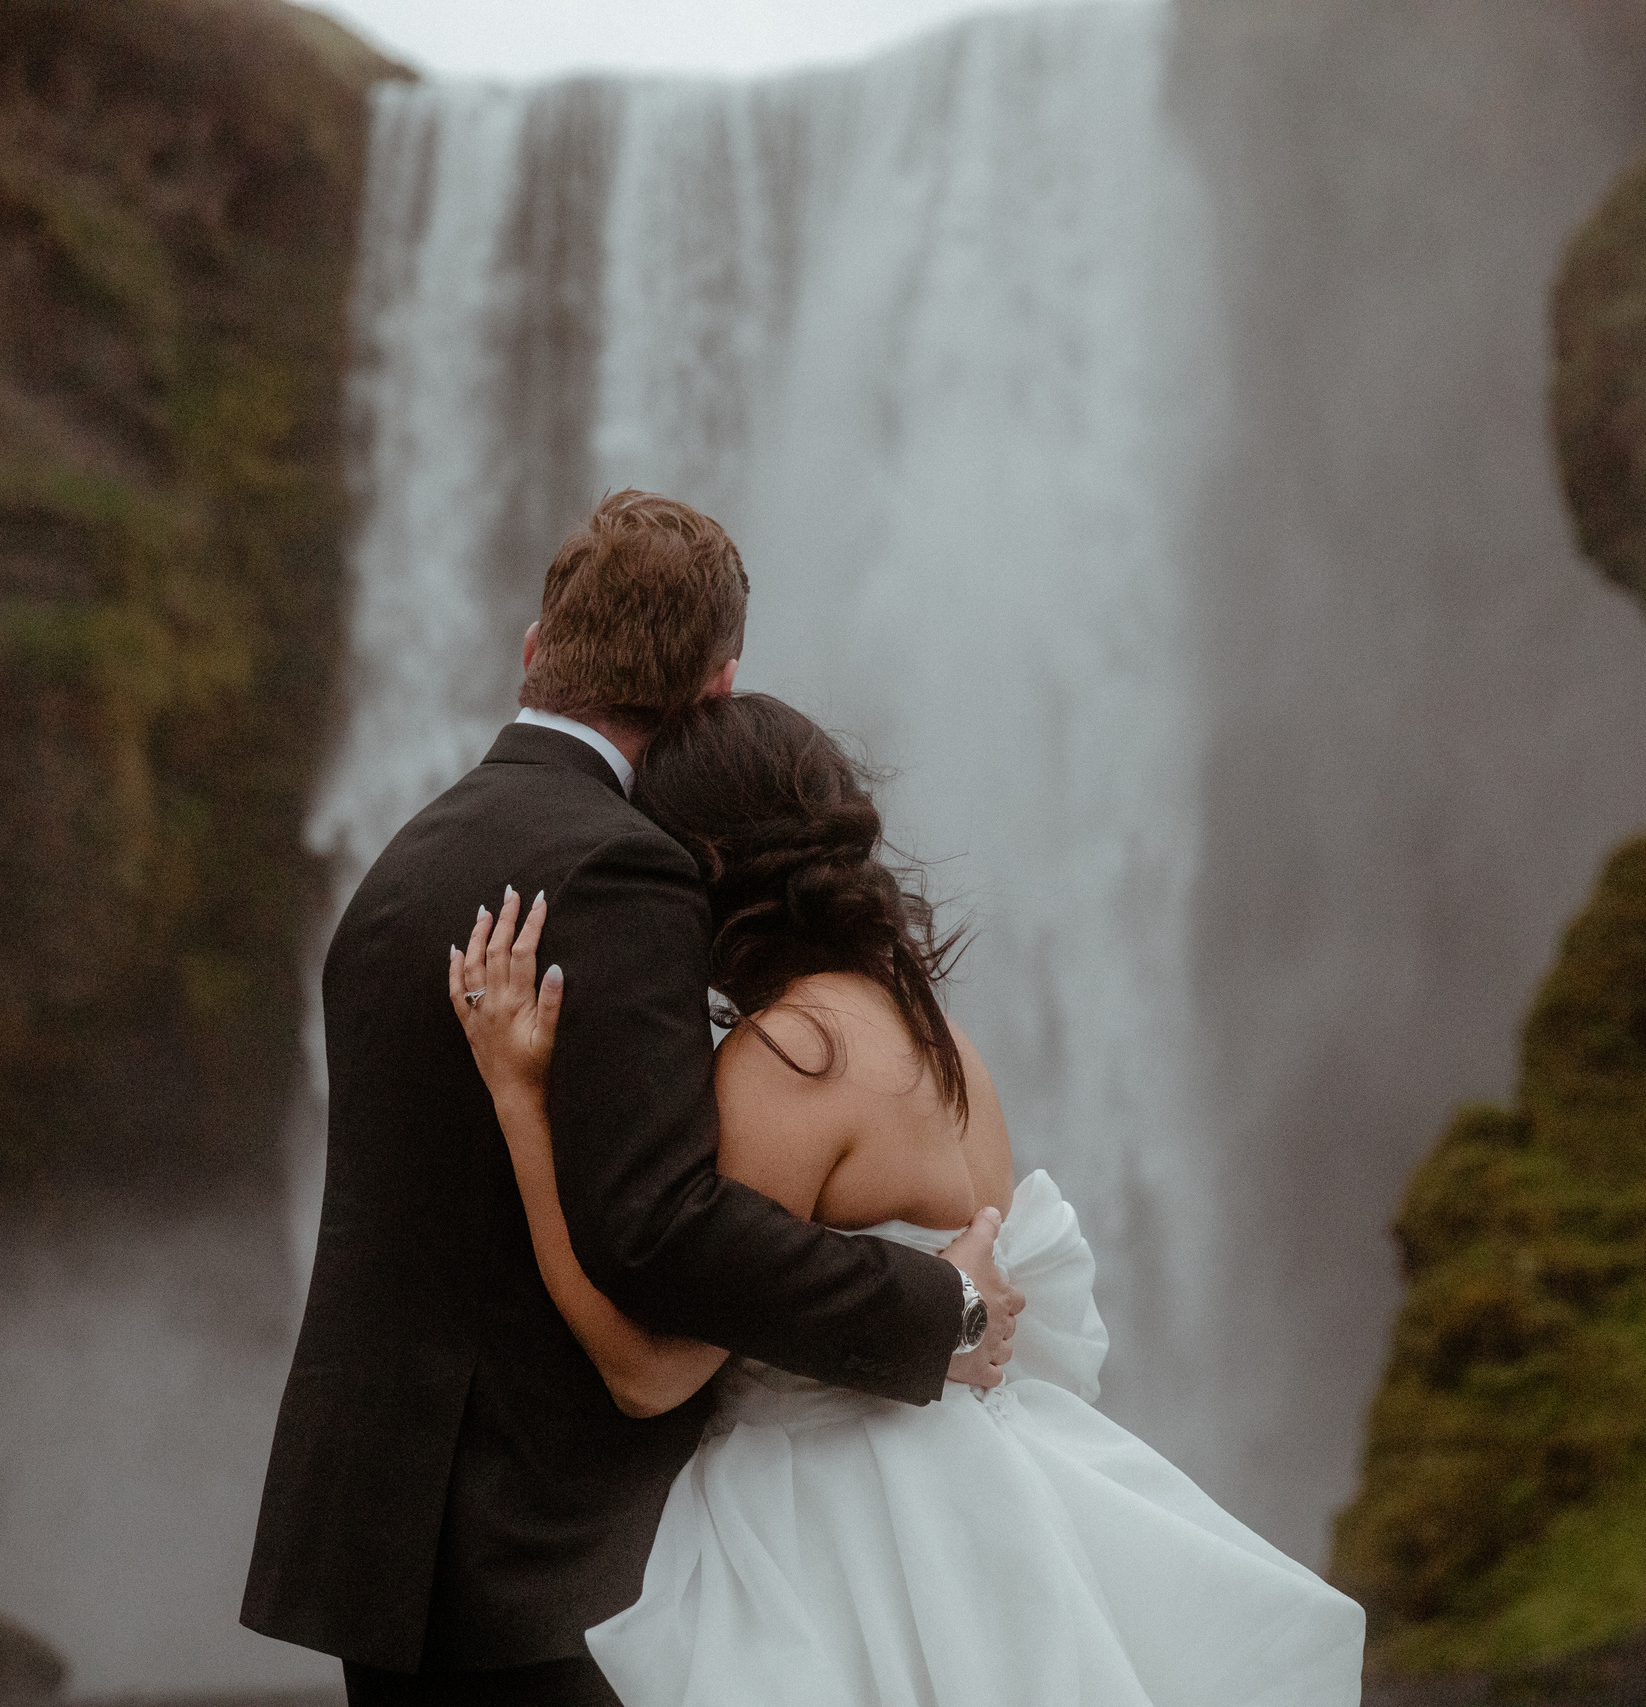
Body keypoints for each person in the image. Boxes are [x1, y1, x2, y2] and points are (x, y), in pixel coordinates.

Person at [241, 492, 1022, 1706]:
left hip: (383, 1541)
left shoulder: (406, 858)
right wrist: (938, 1309)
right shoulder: (622, 866)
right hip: (535, 1550)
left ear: (534, 648)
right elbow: (660, 1229)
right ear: (716, 689)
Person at [446, 691, 1367, 1706]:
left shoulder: (791, 1057)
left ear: (700, 864)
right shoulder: (943, 1044)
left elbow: (650, 1374)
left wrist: (519, 1099)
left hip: (829, 1533)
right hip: (980, 1510)